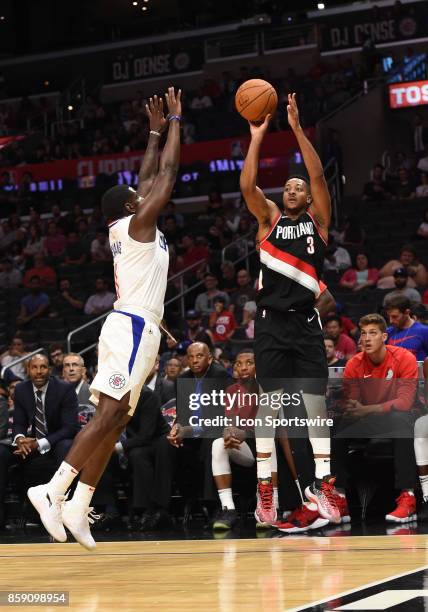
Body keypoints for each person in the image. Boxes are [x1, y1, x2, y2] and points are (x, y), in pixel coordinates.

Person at [27, 88, 181, 550]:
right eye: (139, 195)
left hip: (141, 326)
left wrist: (152, 132)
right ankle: (52, 490)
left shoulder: (129, 223)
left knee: (116, 421)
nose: (144, 191)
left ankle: (79, 504)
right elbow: (166, 175)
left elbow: (149, 174)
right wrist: (175, 122)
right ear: (132, 207)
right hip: (132, 327)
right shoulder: (137, 226)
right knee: (109, 414)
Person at [239, 92, 339, 527]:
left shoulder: (319, 222)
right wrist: (258, 137)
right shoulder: (269, 221)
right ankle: (266, 488)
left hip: (306, 322)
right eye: (289, 186)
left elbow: (317, 172)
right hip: (271, 326)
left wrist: (297, 129)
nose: (295, 188)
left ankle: (323, 484)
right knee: (272, 407)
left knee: (316, 407)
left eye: (300, 187)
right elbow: (247, 187)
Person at [331, 314, 418, 523]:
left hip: (397, 417)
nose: (366, 339)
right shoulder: (354, 363)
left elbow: (404, 402)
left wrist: (367, 409)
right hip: (369, 419)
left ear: (385, 337)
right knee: (338, 425)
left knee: (400, 422)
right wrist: (351, 407)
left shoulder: (404, 358)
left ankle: (408, 498)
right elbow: (352, 402)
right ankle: (339, 498)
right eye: (363, 334)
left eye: (373, 333)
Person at [0, 354, 79, 530]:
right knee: (1, 452)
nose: (39, 371)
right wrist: (20, 439)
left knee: (66, 445)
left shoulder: (64, 389)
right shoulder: (21, 389)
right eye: (34, 367)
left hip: (57, 440)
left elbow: (70, 427)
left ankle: (64, 513)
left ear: (49, 369)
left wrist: (39, 443)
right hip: (32, 441)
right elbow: (19, 423)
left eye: (43, 367)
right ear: (28, 370)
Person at [386, 296, 428, 361]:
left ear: (407, 312)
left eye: (395, 316)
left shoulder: (424, 331)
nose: (391, 321)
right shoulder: (388, 332)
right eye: (389, 316)